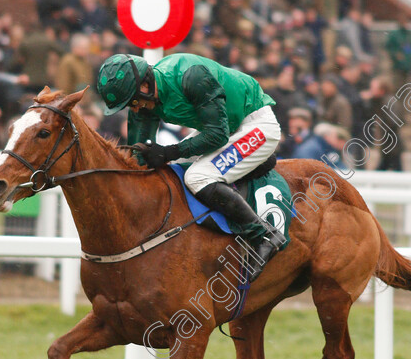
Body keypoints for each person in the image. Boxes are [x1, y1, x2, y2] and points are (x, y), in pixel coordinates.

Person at [97, 53, 285, 282]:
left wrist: (168, 152)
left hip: (253, 123)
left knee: (197, 177)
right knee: (174, 170)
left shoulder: (192, 76)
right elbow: (139, 159)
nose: (134, 110)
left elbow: (217, 135)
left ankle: (263, 235)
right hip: (224, 126)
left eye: (133, 103)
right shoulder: (145, 98)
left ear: (145, 86)